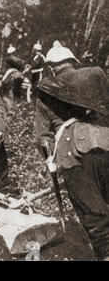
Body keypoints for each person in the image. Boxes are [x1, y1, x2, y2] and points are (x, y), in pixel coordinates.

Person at [36, 41, 109, 261]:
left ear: (50, 67)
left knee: (94, 216)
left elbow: (43, 136)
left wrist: (50, 159)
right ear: (73, 63)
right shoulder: (96, 77)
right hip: (106, 141)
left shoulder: (45, 91)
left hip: (72, 153)